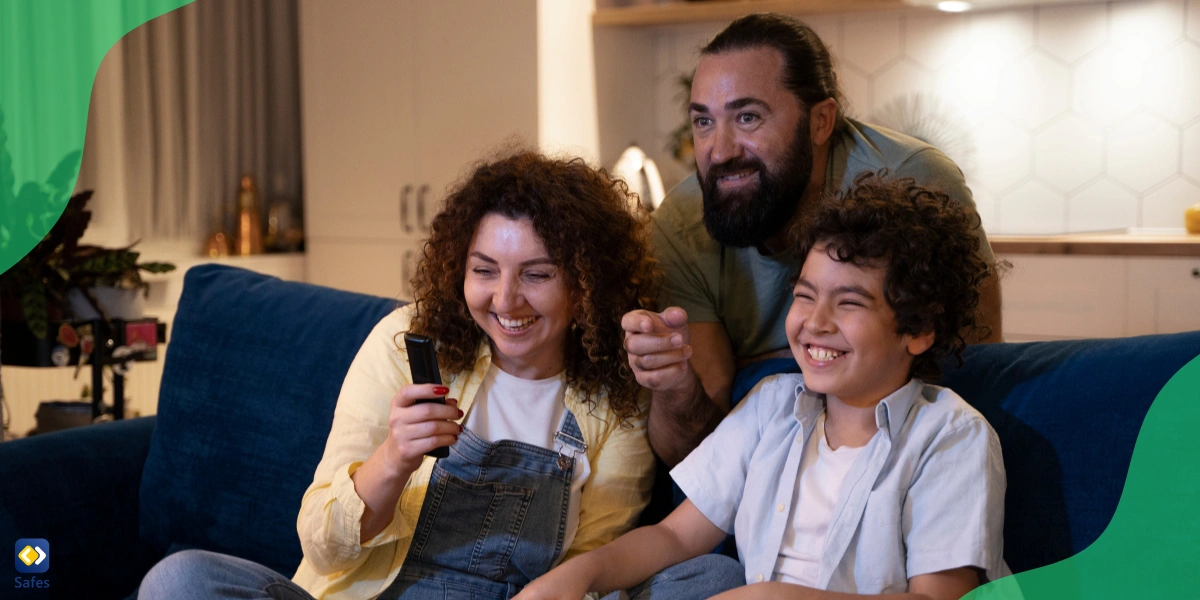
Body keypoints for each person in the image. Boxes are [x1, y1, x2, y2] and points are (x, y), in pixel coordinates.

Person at [138, 151, 701, 600]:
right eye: (484, 270)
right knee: (179, 580)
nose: (505, 299)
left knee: (709, 581)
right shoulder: (405, 343)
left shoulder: (614, 392)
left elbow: (590, 566)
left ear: (586, 283)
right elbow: (320, 543)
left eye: (537, 274)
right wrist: (393, 460)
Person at [517, 172, 1009, 600]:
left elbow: (940, 599)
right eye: (805, 295)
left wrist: (777, 597)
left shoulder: (950, 436)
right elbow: (674, 537)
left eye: (850, 303)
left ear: (919, 329)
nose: (815, 322)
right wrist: (581, 573)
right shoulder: (771, 405)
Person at [622, 13, 1003, 468]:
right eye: (703, 122)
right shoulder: (682, 222)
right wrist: (674, 387)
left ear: (821, 121)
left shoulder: (915, 181)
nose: (719, 151)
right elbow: (700, 457)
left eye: (747, 117)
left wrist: (763, 364)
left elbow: (975, 370)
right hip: (762, 477)